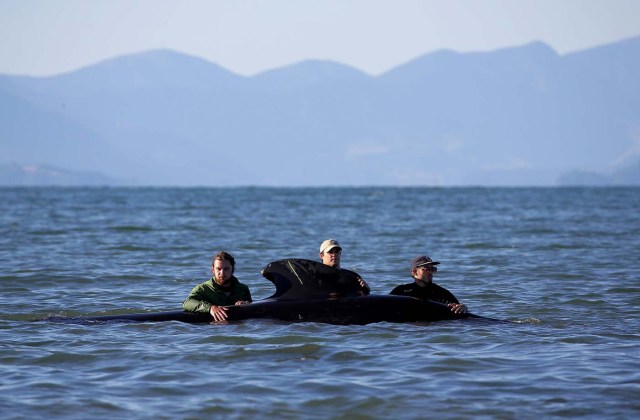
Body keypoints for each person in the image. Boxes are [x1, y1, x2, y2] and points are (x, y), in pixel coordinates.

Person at [182, 251, 252, 321]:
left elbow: (252, 311)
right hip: (213, 329)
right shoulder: (203, 289)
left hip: (238, 329)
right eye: (218, 269)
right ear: (213, 270)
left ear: (233, 269)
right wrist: (210, 308)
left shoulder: (243, 289)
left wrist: (246, 305)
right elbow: (187, 303)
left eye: (226, 269)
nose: (222, 273)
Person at [390, 255, 467, 314]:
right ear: (414, 272)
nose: (430, 272)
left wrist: (463, 307)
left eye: (432, 269)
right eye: (427, 269)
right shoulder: (401, 291)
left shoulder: (441, 293)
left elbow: (459, 309)